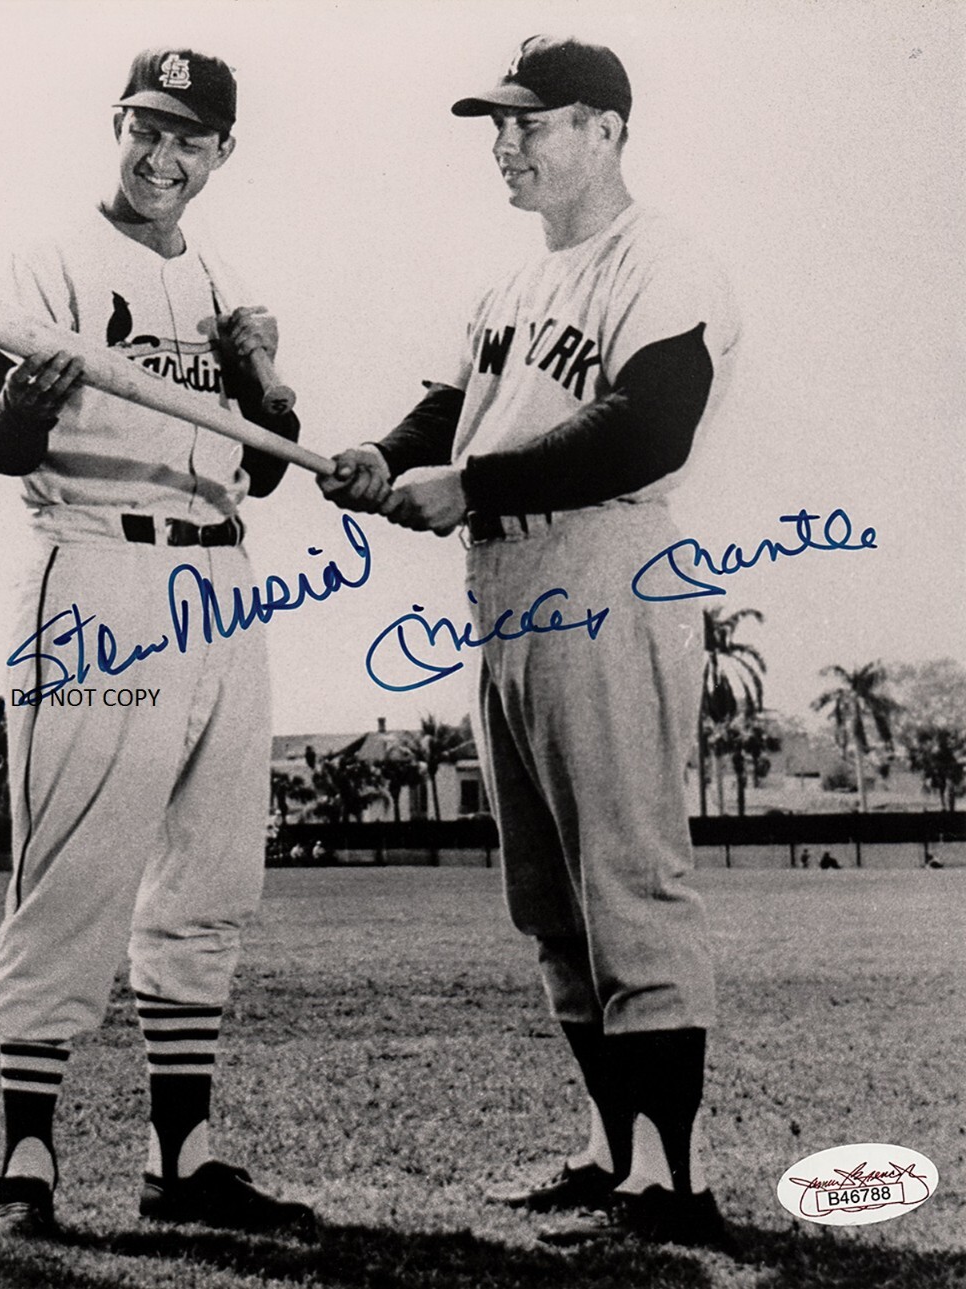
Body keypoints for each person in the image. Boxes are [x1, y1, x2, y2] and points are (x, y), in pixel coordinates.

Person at [321, 35, 739, 1250]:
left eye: (531, 122)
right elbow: (454, 409)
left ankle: (669, 1174)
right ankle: (618, 1152)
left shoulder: (664, 260)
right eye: (496, 125)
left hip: (607, 560)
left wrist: (471, 482)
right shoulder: (511, 289)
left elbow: (645, 427)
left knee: (627, 877)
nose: (504, 144)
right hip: (503, 579)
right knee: (547, 896)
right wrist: (382, 454)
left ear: (604, 130)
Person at [0, 48, 314, 1241]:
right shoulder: (50, 259)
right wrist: (28, 397)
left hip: (219, 572)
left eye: (189, 138)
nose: (163, 156)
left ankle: (183, 1153)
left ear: (222, 152)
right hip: (96, 562)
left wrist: (261, 368)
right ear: (115, 124)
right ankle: (26, 1154)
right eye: (145, 129)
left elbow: (265, 462)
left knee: (210, 876)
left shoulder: (221, 281)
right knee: (72, 868)